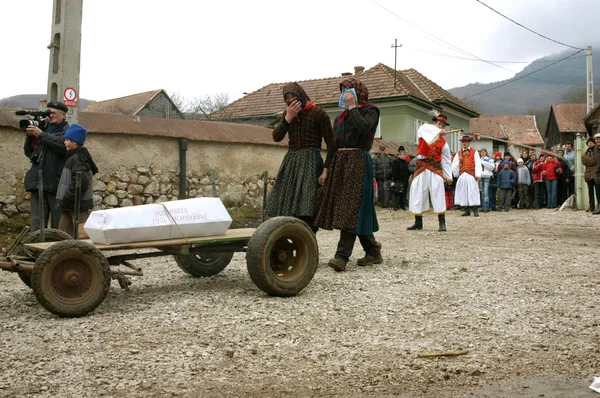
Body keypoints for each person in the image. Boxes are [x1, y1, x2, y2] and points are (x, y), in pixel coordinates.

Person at [315, 78, 381, 271]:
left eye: (348, 90)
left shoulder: (371, 110)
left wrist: (353, 108)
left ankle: (341, 256)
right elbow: (334, 145)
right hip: (340, 163)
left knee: (351, 207)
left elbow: (363, 128)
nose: (345, 94)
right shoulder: (340, 117)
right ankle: (373, 251)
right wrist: (326, 169)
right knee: (353, 208)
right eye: (343, 90)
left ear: (358, 91)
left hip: (358, 161)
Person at [266, 82, 333, 232]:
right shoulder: (287, 114)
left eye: (293, 96)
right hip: (292, 161)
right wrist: (288, 118)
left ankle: (308, 242)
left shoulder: (318, 113)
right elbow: (276, 137)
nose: (290, 100)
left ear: (300, 95)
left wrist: (326, 169)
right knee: (284, 202)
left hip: (311, 160)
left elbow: (331, 144)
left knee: (308, 204)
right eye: (287, 97)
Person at [23, 101, 70, 231]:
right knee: (37, 226)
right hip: (38, 183)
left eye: (54, 113)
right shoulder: (42, 129)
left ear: (64, 115)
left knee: (58, 226)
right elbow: (29, 153)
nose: (50, 115)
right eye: (48, 112)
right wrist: (30, 137)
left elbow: (62, 146)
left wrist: (40, 135)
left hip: (56, 185)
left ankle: (58, 251)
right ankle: (37, 250)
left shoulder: (68, 131)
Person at [406, 113, 452, 232]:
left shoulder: (444, 143)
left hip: (435, 167)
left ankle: (442, 222)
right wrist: (438, 131)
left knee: (438, 193)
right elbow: (425, 128)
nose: (440, 126)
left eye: (442, 125)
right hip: (422, 165)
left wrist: (448, 175)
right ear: (434, 123)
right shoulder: (423, 130)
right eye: (438, 123)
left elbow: (446, 160)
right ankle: (418, 222)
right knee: (418, 192)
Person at [55, 124, 98, 238]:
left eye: (68, 140)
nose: (64, 142)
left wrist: (68, 197)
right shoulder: (74, 157)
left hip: (77, 203)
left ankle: (88, 254)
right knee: (63, 234)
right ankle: (64, 254)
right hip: (70, 203)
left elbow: (81, 181)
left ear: (75, 142)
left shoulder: (78, 158)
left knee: (84, 235)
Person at [452, 135, 481, 216]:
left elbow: (478, 163)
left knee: (473, 191)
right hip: (462, 174)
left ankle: (475, 210)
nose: (464, 143)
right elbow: (454, 164)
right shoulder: (459, 153)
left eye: (465, 142)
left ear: (468, 143)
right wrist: (459, 163)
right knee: (463, 191)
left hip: (471, 174)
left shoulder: (474, 152)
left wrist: (478, 174)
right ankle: (466, 209)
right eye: (463, 142)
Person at [581, 137, 597, 212]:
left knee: (598, 190)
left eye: (591, 143)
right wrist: (589, 160)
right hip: (588, 173)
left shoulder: (596, 151)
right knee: (590, 191)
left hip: (595, 173)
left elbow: (595, 160)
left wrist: (588, 160)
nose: (590, 144)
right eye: (589, 143)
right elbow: (583, 161)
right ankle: (591, 206)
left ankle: (598, 206)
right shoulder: (586, 152)